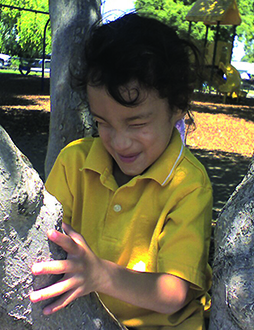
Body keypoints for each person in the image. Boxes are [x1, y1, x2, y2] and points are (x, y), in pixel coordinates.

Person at [29, 13, 213, 330]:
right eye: (103, 123)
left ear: (178, 106)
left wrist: (100, 274)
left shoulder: (189, 185)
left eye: (136, 123)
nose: (119, 141)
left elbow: (173, 292)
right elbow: (48, 245)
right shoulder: (75, 164)